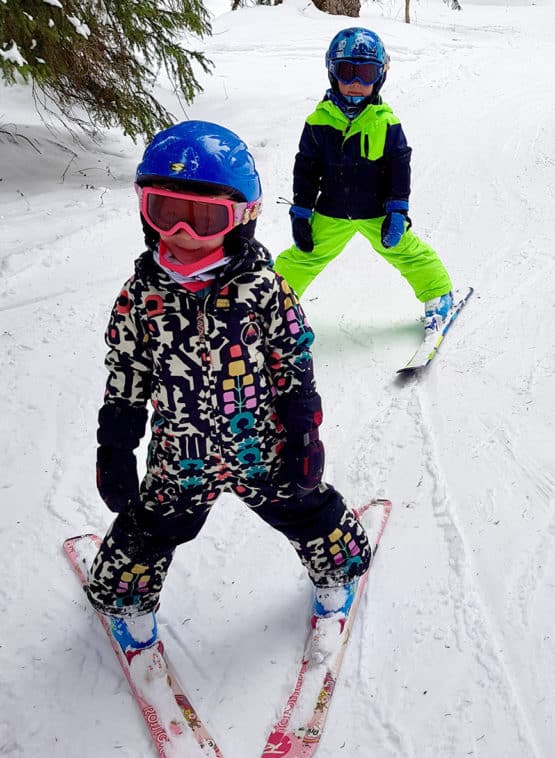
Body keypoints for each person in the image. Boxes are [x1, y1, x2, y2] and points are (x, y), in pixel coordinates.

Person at [86, 120, 370, 655]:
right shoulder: (140, 296)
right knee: (149, 528)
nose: (183, 234)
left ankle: (340, 571)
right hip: (181, 457)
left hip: (260, 445)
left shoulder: (263, 289)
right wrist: (117, 445)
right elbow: (125, 373)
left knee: (304, 507)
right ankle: (129, 602)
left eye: (204, 218)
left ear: (241, 219)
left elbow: (292, 361)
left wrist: (304, 434)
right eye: (165, 212)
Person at [273, 27, 456, 333]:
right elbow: (306, 168)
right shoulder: (318, 121)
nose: (356, 83)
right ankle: (273, 304)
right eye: (347, 71)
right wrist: (301, 211)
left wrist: (397, 211)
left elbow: (400, 167)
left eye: (366, 73)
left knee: (406, 252)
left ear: (380, 76)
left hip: (376, 212)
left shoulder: (386, 122)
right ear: (333, 73)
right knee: (304, 256)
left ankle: (439, 295)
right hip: (332, 211)